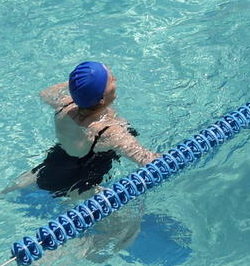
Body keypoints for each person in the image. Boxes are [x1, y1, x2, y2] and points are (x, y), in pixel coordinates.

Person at [16, 61, 160, 196]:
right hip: (82, 180)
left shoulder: (66, 105)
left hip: (55, 161)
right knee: (123, 218)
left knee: (12, 190)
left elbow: (45, 94)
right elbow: (147, 160)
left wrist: (79, 84)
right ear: (101, 99)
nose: (115, 79)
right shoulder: (109, 131)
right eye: (111, 80)